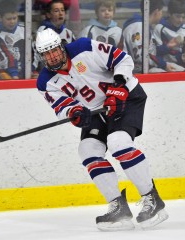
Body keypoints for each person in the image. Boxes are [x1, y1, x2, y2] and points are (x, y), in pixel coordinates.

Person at [35, 28, 169, 231]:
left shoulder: (83, 48)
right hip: (97, 110)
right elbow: (61, 107)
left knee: (118, 143)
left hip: (126, 98)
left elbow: (122, 59)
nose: (52, 56)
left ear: (61, 46)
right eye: (46, 53)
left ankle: (152, 198)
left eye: (54, 50)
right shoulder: (45, 81)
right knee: (87, 150)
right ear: (42, 56)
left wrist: (119, 85)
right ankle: (118, 208)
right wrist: (75, 112)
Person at [149, 0, 185, 72]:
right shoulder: (159, 28)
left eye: (183, 17)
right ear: (169, 13)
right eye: (178, 16)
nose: (180, 20)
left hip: (182, 67)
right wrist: (167, 46)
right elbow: (155, 52)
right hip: (164, 66)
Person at [118, 0, 164, 73]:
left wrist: (167, 47)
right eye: (161, 11)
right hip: (131, 73)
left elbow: (150, 50)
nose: (162, 14)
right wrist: (163, 64)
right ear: (157, 11)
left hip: (138, 71)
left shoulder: (145, 25)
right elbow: (139, 56)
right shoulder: (138, 26)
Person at [32, 0, 75, 75]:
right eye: (56, 11)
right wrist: (34, 70)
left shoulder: (68, 33)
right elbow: (36, 56)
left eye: (62, 10)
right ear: (48, 15)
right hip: (48, 75)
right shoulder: (41, 32)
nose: (61, 13)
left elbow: (74, 55)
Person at [0, 0, 25, 80]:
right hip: (4, 71)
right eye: (8, 19)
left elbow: (30, 52)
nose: (12, 22)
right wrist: (14, 74)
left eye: (14, 18)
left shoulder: (24, 30)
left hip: (23, 70)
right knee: (4, 77)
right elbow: (4, 58)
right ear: (0, 18)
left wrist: (31, 69)